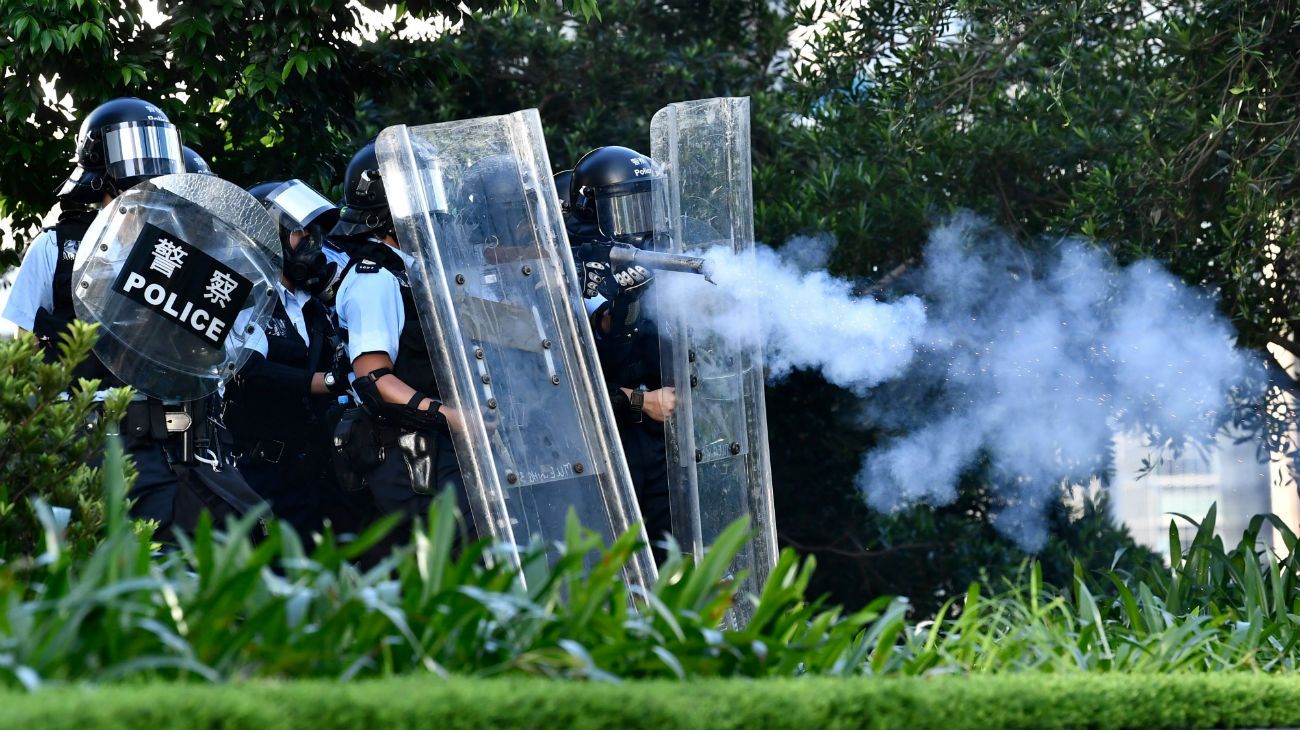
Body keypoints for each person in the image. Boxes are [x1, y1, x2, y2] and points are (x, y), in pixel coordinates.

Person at [3, 97, 264, 538]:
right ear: (98, 164)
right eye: (130, 145)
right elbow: (19, 354)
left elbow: (224, 351)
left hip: (172, 444)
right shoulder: (56, 247)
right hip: (83, 441)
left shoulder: (190, 254)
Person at [329, 140, 475, 547]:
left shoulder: (415, 272)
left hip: (437, 448)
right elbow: (374, 379)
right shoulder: (375, 279)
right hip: (409, 458)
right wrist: (452, 416)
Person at [224, 180, 355, 541]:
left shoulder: (313, 305)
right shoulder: (249, 295)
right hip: (262, 472)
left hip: (315, 467)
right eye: (300, 232)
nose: (311, 242)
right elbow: (248, 370)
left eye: (314, 232)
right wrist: (326, 381)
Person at [565, 145, 676, 561]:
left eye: (642, 204)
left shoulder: (650, 253)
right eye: (624, 207)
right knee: (613, 556)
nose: (637, 221)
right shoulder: (570, 265)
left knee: (666, 551)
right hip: (599, 438)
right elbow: (574, 369)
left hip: (653, 432)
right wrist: (625, 302)